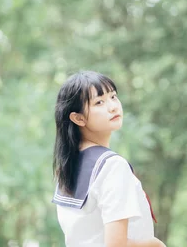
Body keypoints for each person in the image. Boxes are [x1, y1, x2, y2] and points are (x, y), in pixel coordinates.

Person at [51, 70, 167, 247]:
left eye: (113, 96)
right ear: (78, 118)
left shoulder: (67, 167)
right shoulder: (112, 166)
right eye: (99, 102)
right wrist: (155, 244)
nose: (113, 106)